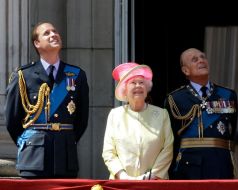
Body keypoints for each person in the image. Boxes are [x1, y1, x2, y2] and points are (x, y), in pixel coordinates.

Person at [4, 22, 89, 178]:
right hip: (33, 158)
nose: (53, 34)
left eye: (55, 31)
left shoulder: (76, 75)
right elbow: (12, 120)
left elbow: (82, 120)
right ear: (37, 43)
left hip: (65, 157)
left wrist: (66, 141)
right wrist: (30, 143)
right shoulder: (23, 76)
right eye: (47, 33)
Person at [164, 48, 238, 179]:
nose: (201, 60)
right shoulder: (175, 99)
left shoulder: (227, 95)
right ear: (185, 70)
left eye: (203, 57)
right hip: (188, 166)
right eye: (195, 59)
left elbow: (231, 132)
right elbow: (171, 140)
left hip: (221, 163)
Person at [102, 62, 174, 180]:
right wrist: (123, 177)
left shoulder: (162, 114)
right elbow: (108, 152)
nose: (138, 86)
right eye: (133, 83)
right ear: (125, 90)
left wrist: (152, 176)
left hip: (155, 183)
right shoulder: (115, 115)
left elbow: (168, 148)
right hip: (121, 184)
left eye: (141, 83)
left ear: (147, 88)